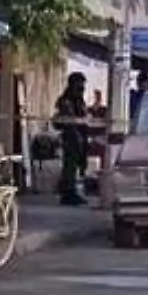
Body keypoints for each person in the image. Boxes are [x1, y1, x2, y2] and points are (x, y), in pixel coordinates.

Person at [52, 72, 91, 206]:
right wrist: (77, 136)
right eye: (80, 84)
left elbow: (82, 116)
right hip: (71, 136)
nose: (82, 88)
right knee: (70, 165)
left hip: (80, 135)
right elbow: (69, 120)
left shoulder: (79, 100)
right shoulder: (67, 100)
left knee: (78, 165)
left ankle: (72, 190)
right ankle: (68, 192)